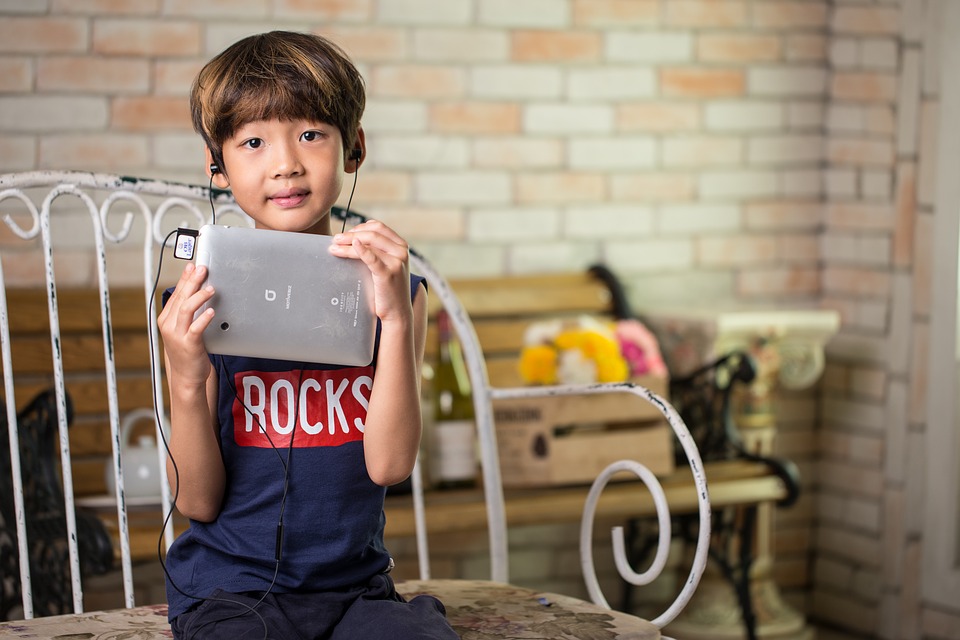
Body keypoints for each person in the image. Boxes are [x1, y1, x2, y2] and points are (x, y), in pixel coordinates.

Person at [157, 30, 457, 640]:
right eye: (253, 141)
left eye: (312, 133)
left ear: (355, 149)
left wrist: (394, 319)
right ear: (216, 164)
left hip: (355, 591)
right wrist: (188, 382)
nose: (286, 162)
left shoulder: (400, 294)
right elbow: (197, 504)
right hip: (229, 593)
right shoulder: (192, 307)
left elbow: (390, 465)